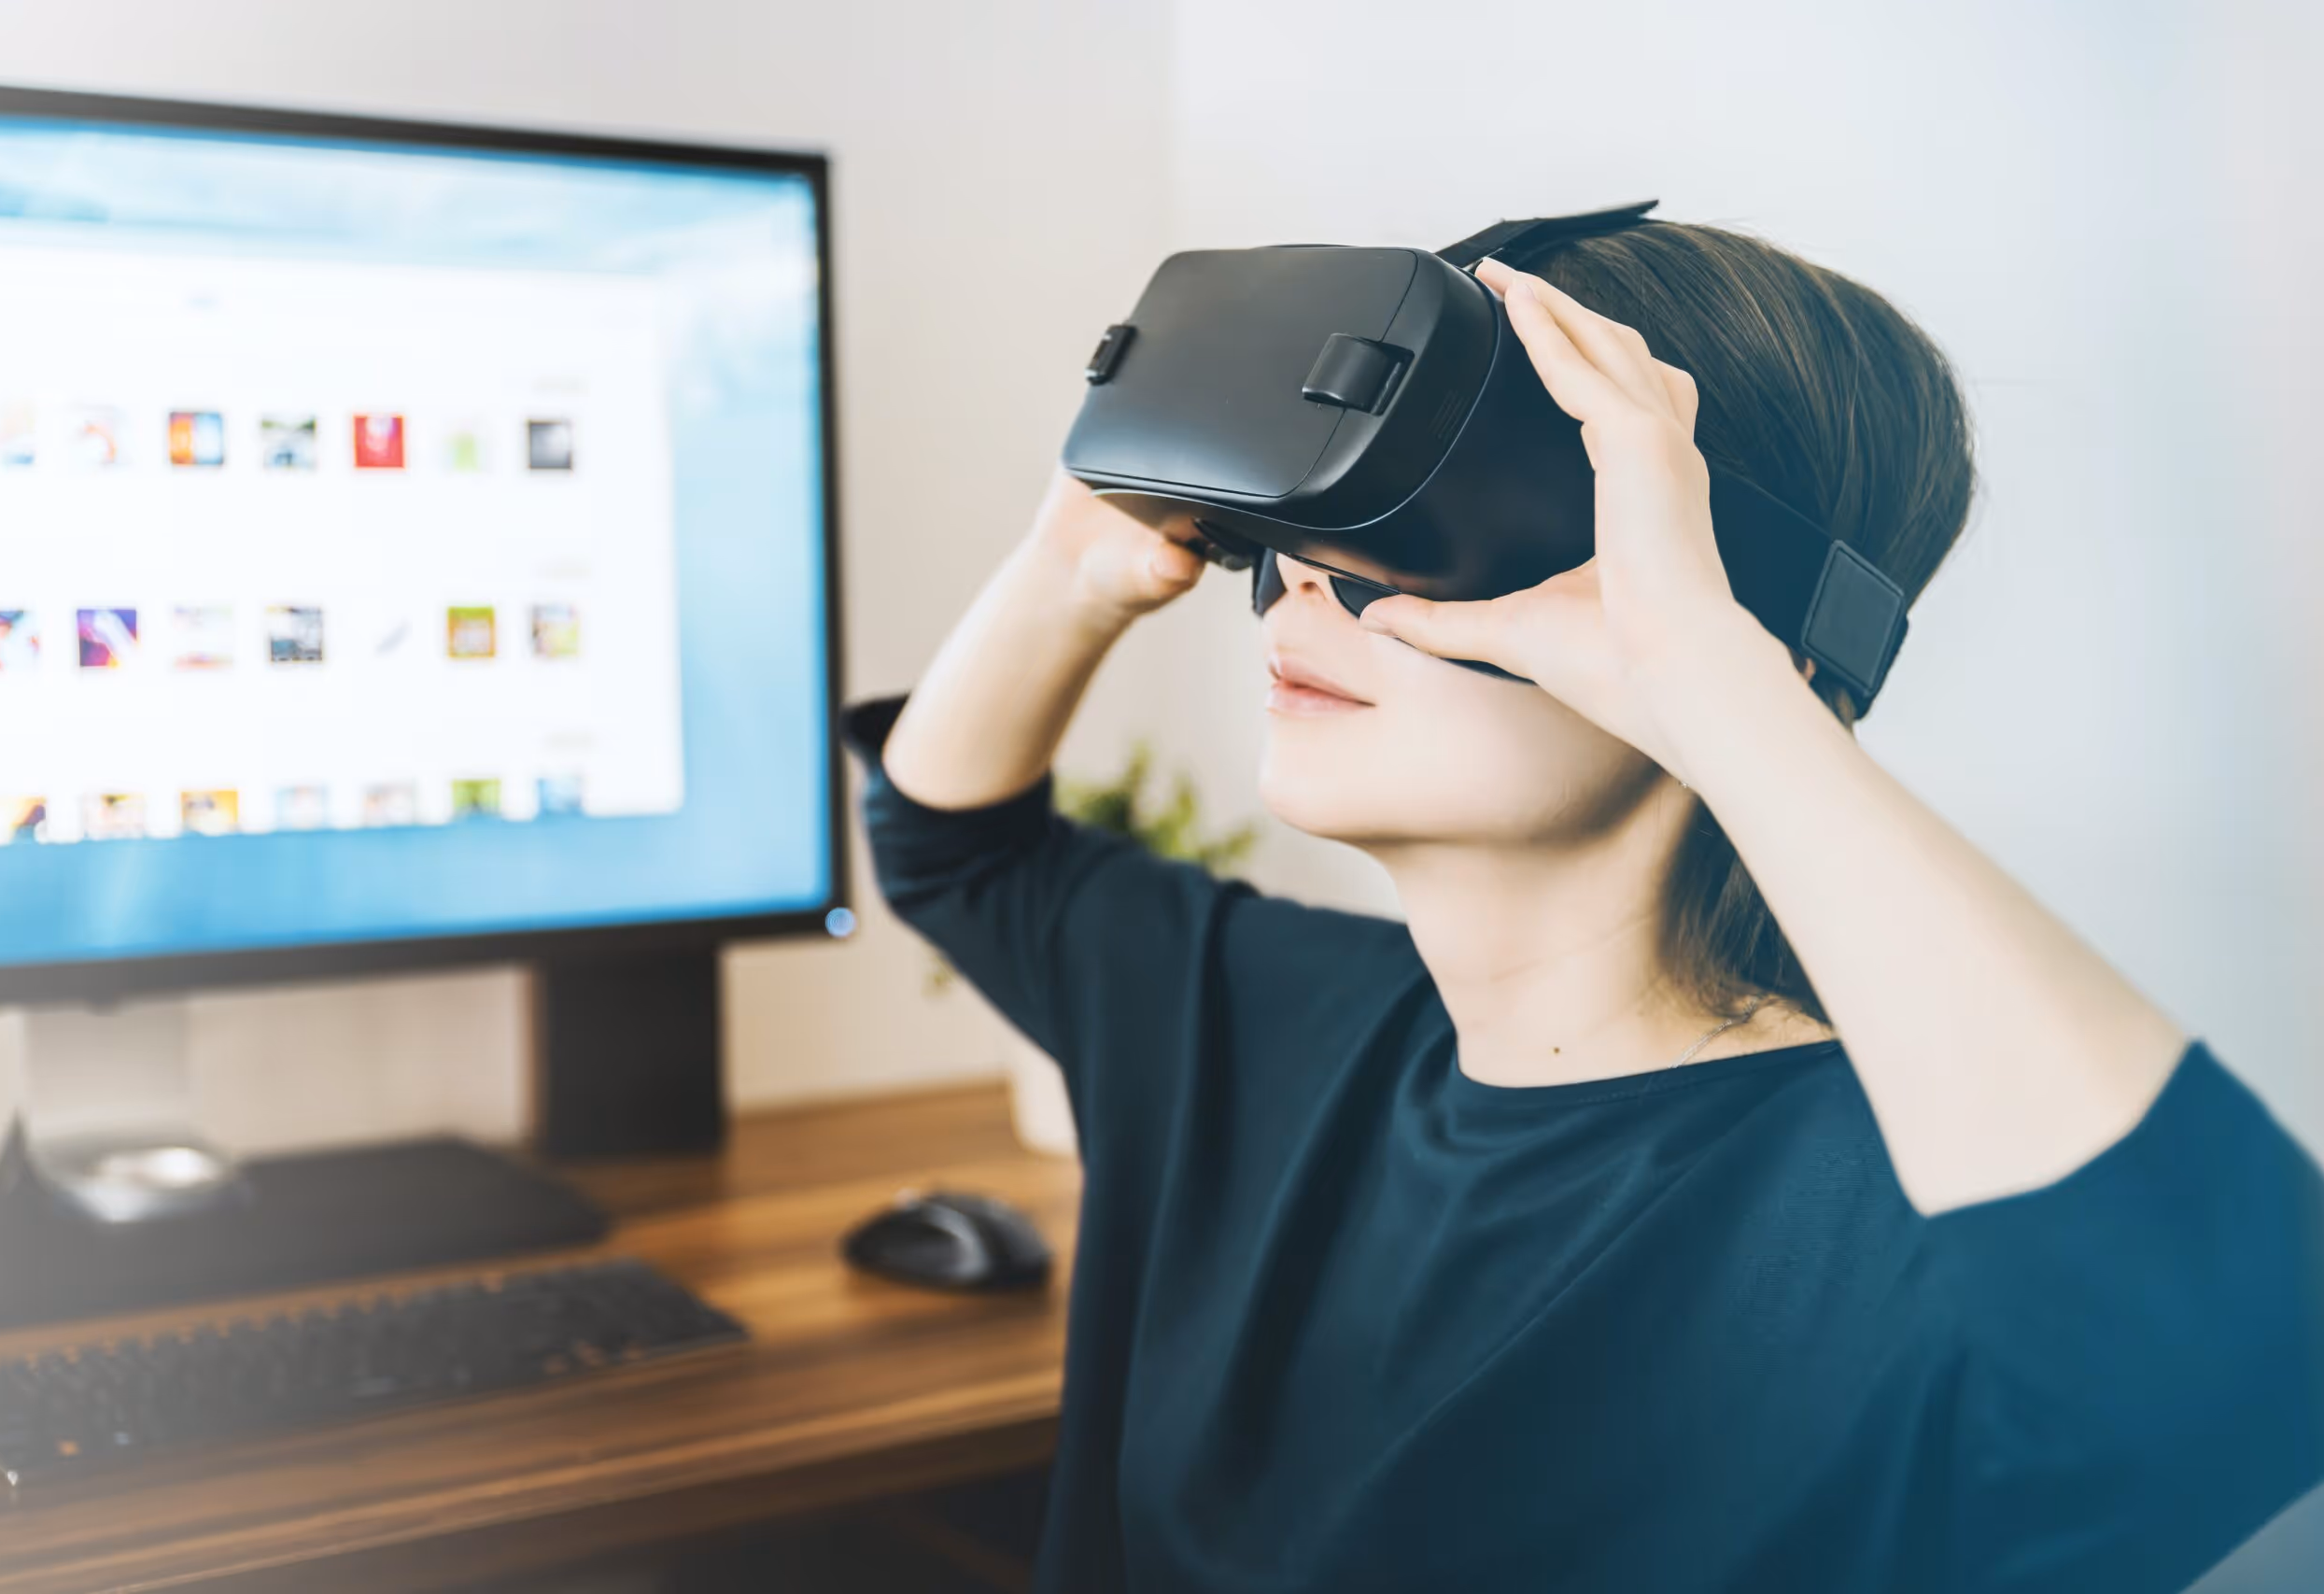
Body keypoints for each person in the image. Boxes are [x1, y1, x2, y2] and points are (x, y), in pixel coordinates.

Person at [838, 222, 2324, 1592]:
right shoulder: (1265, 1023)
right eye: (1321, 520)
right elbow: (953, 850)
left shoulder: (1881, 1228)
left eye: (1421, 526)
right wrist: (1075, 562)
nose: (1312, 585)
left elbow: (2240, 1351)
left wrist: (1714, 677)